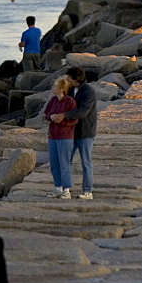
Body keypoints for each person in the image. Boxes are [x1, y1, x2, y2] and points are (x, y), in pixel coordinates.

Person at [50, 66, 96, 200]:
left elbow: (83, 111)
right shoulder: (70, 89)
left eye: (69, 78)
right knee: (65, 161)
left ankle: (88, 191)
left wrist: (64, 115)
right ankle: (63, 189)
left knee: (86, 162)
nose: (67, 80)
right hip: (70, 132)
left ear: (75, 80)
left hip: (85, 131)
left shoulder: (88, 91)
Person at [44, 76, 77, 199]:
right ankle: (58, 188)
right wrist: (51, 116)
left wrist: (60, 120)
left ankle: (66, 189)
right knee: (54, 164)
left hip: (65, 136)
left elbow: (74, 119)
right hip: (53, 135)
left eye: (55, 86)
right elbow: (46, 113)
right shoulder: (53, 100)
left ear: (61, 89)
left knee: (64, 163)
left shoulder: (70, 102)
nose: (52, 88)